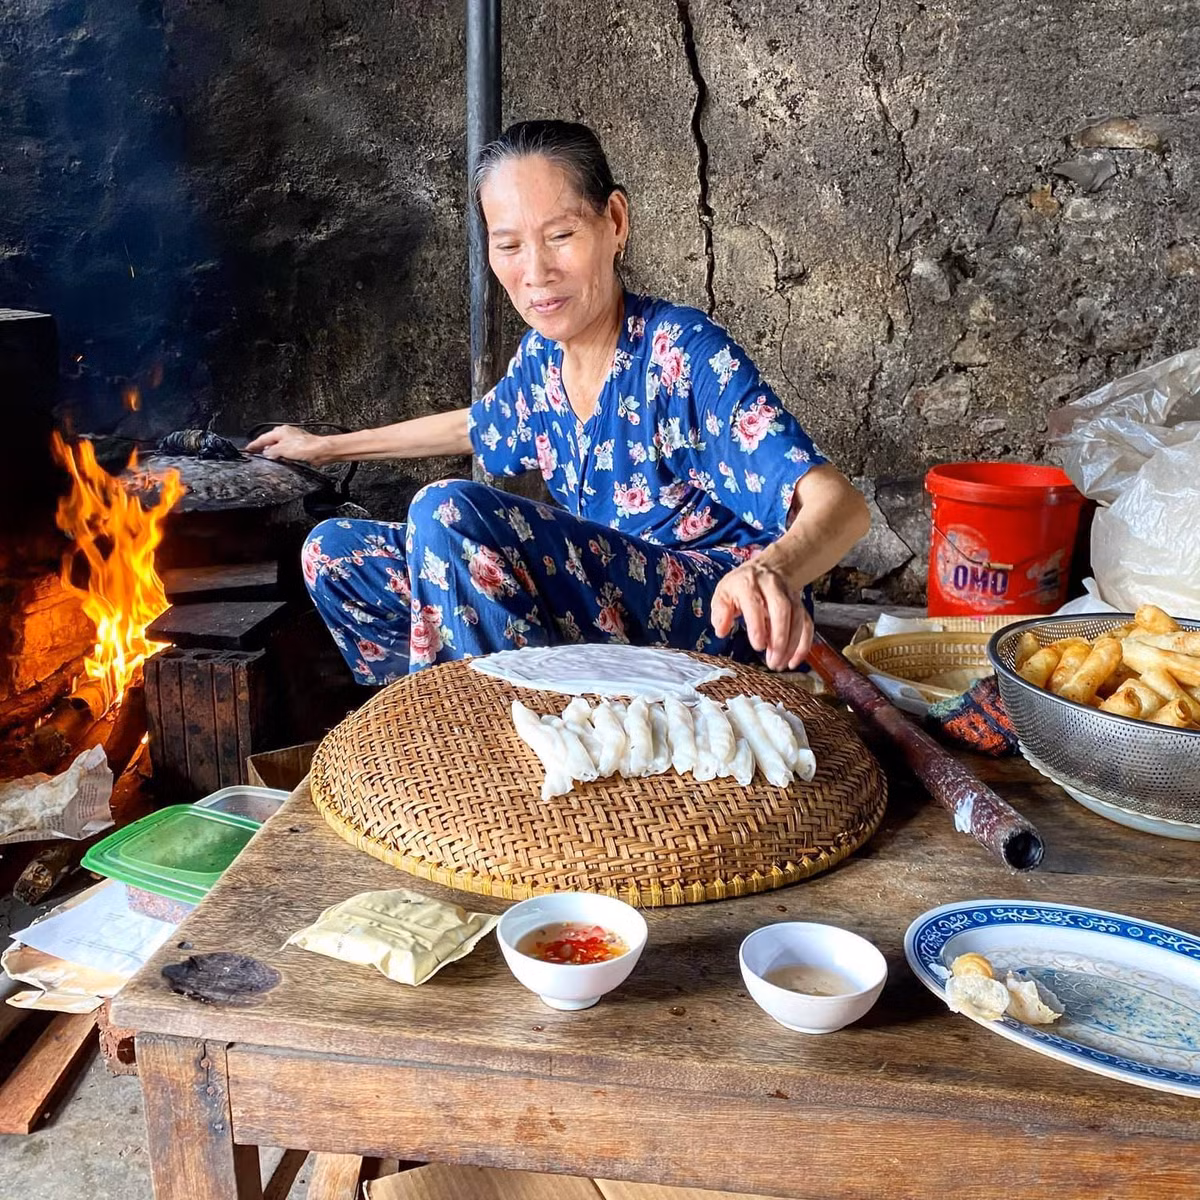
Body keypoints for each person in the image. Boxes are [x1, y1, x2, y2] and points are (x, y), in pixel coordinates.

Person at [247, 120, 870, 685]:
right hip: (598, 613)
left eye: (561, 235)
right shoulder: (542, 362)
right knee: (335, 554)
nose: (536, 271)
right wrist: (325, 447)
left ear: (615, 223)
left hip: (716, 620)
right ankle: (454, 708)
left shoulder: (680, 352)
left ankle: (497, 746)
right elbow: (474, 426)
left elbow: (838, 506)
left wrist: (776, 570)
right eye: (509, 245)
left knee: (446, 512)